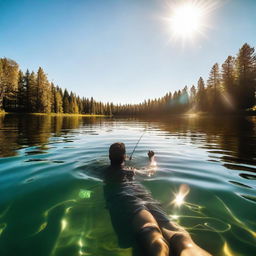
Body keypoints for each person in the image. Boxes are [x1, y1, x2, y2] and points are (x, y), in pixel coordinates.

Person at [103, 142, 212, 256]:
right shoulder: (132, 171)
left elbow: (87, 189)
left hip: (126, 197)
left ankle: (159, 249)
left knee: (150, 229)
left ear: (109, 157)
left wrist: (84, 195)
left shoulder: (103, 171)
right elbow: (151, 170)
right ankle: (188, 248)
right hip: (144, 195)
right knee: (177, 233)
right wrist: (152, 158)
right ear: (125, 156)